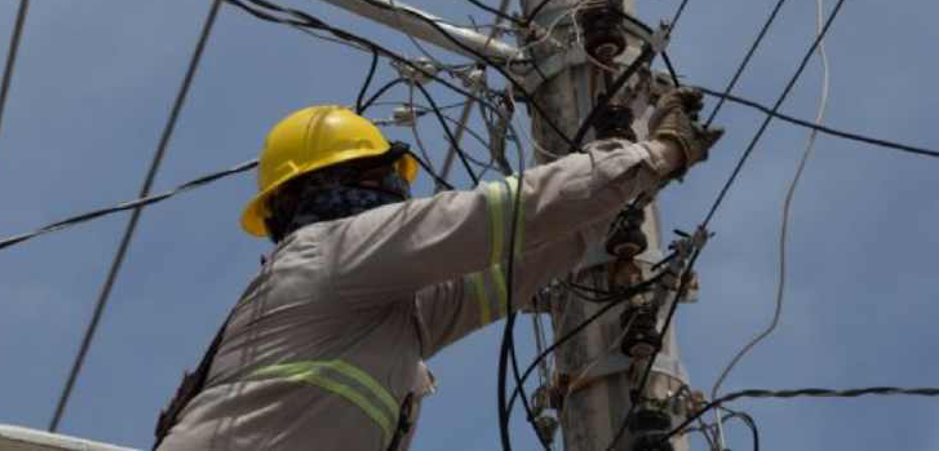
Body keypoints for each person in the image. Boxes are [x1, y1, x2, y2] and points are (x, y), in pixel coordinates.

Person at [154, 87, 722, 451]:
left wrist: (611, 203)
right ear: (334, 185)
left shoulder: (377, 311)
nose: (395, 194)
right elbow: (494, 217)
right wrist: (653, 155)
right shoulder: (331, 252)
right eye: (382, 179)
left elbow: (505, 272)